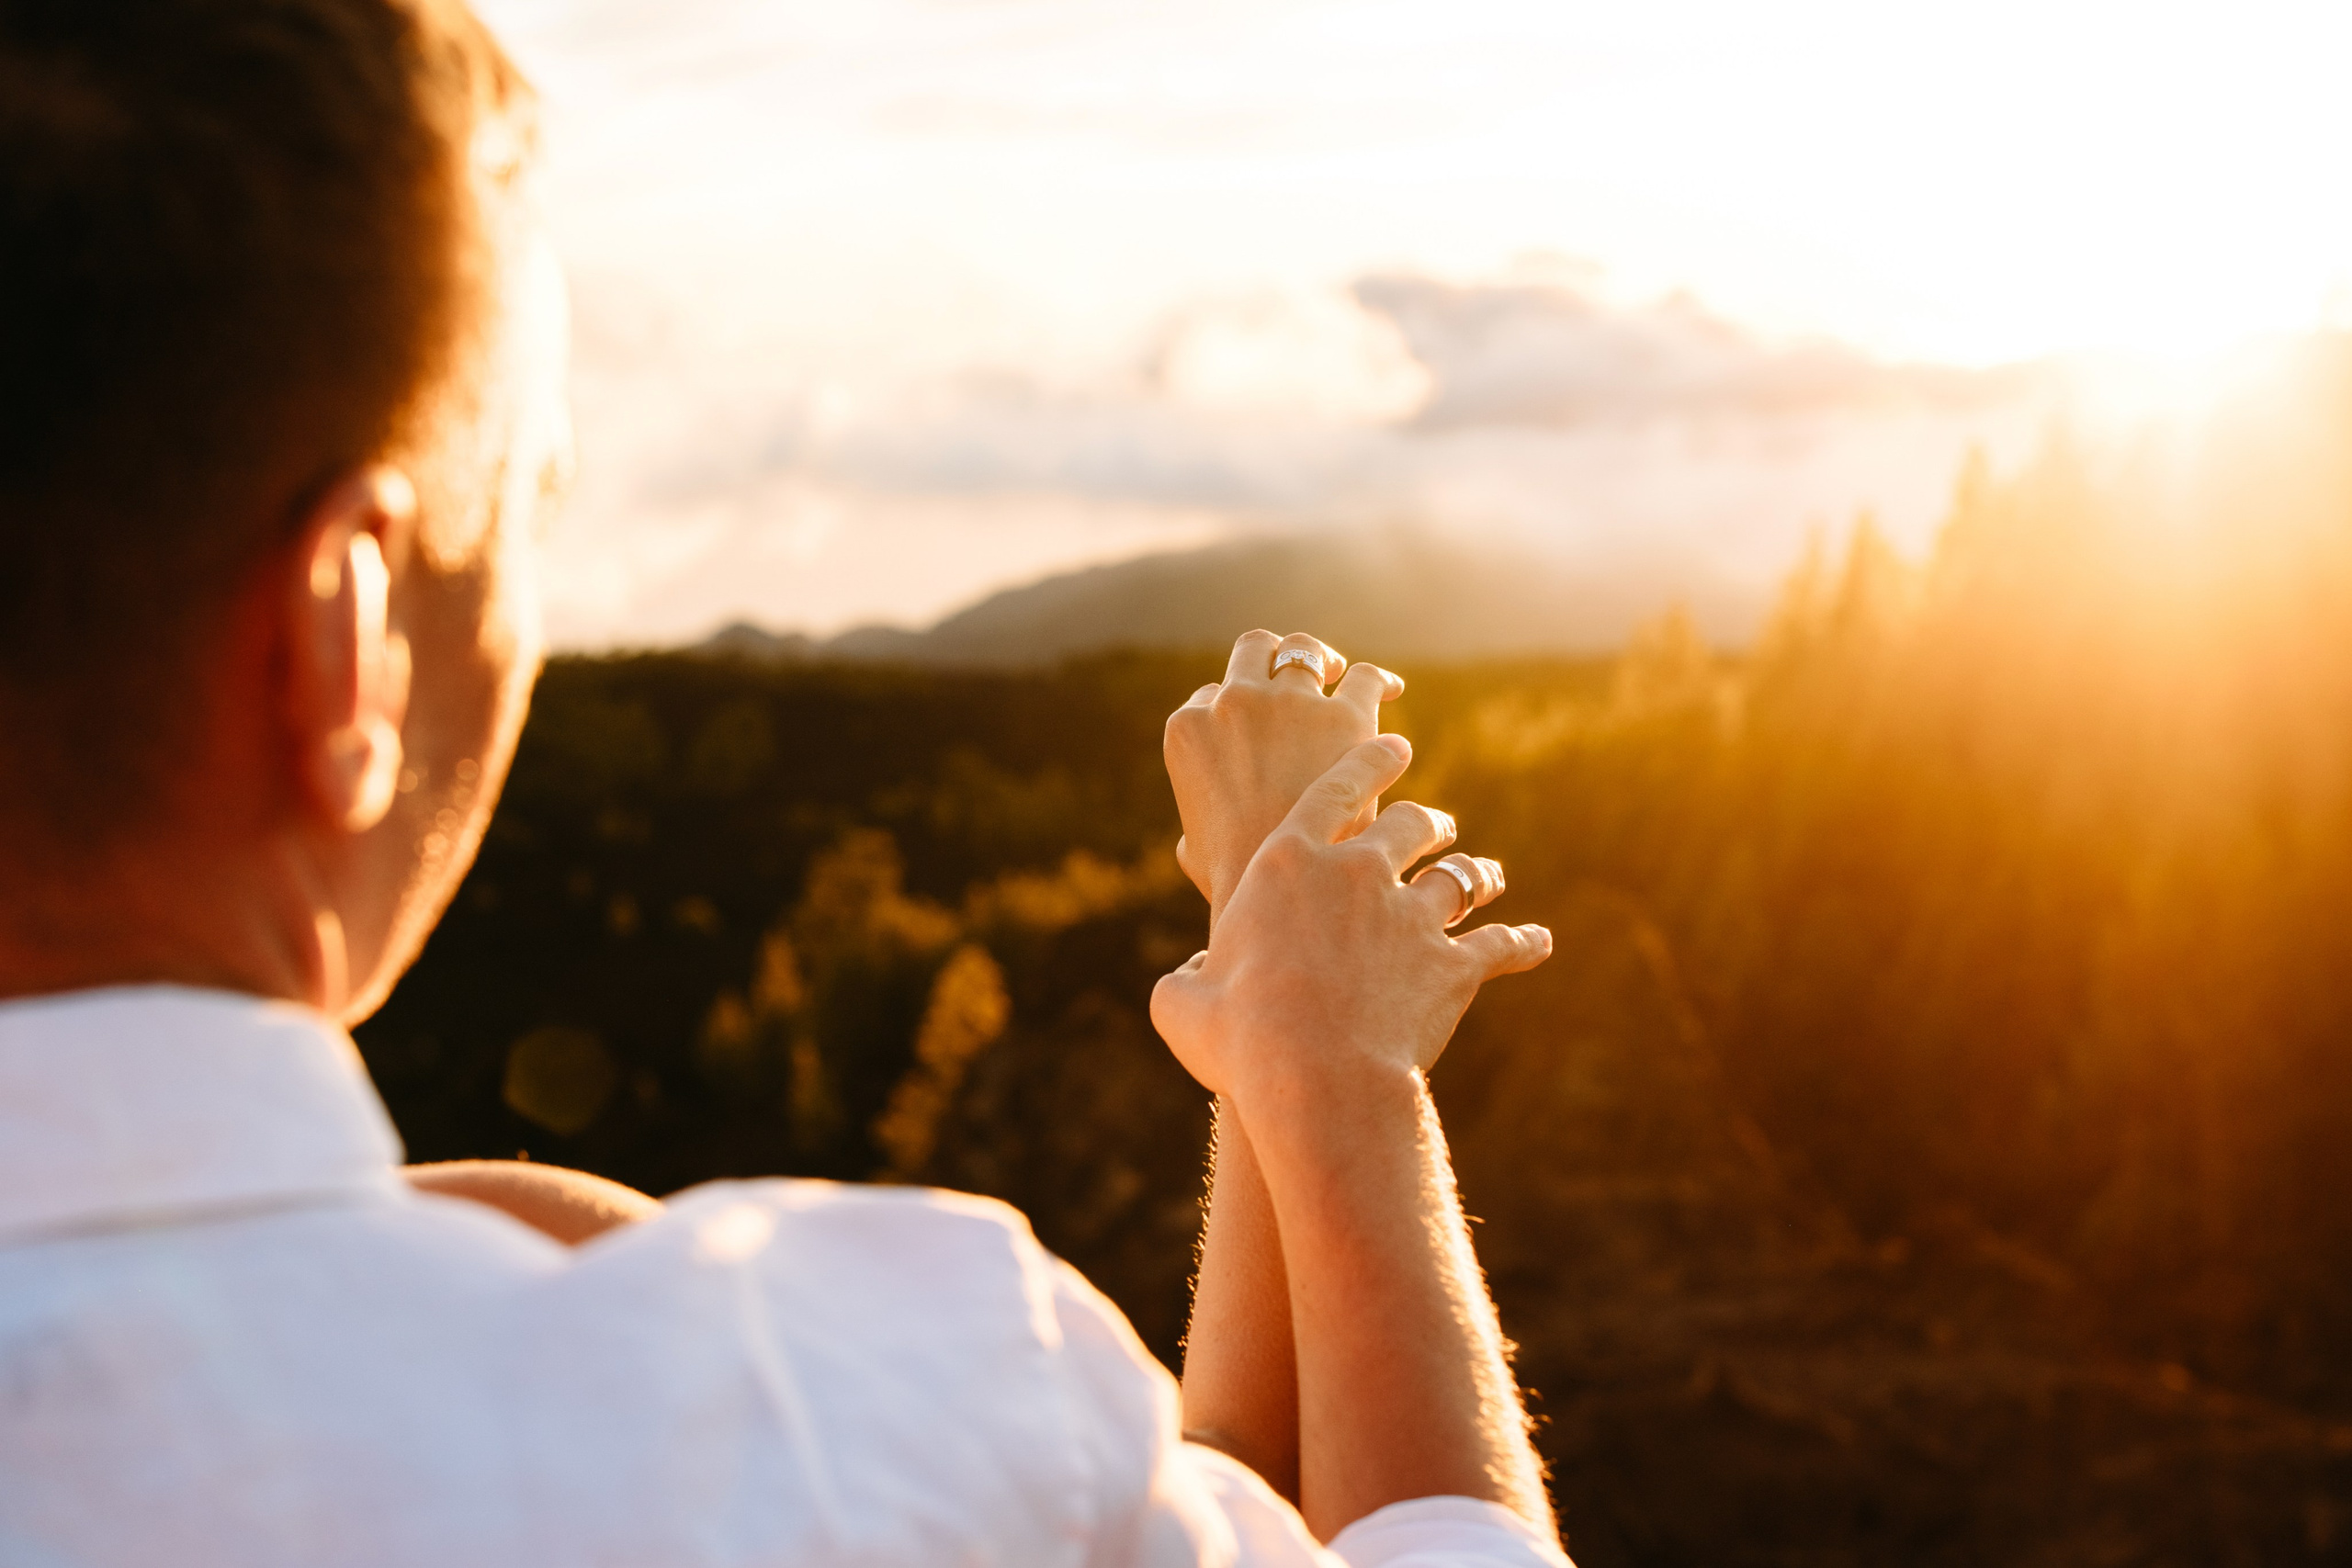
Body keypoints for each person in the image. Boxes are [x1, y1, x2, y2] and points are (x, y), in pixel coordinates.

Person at [0, 2, 1564, 1563]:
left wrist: (1264, 985)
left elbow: (1222, 1512)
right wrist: (1338, 1075)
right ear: (346, 642)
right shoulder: (798, 1415)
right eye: (528, 510)